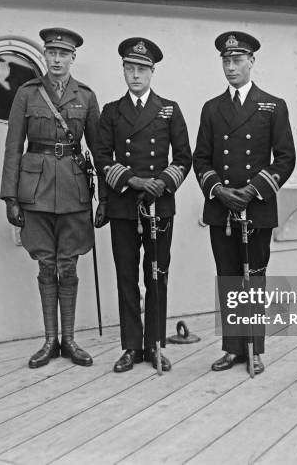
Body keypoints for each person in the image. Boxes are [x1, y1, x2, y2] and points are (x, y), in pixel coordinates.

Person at [0, 27, 105, 369]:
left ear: (74, 58)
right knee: (46, 263)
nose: (57, 59)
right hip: (35, 192)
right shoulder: (27, 94)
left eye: (64, 54)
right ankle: (49, 341)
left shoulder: (86, 97)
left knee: (68, 264)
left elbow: (100, 152)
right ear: (44, 56)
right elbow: (13, 146)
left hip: (74, 190)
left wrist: (104, 197)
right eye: (51, 53)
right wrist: (10, 197)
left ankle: (70, 340)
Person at [193, 31, 295, 375]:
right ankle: (233, 349)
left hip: (257, 206)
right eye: (226, 60)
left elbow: (285, 158)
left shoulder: (273, 105)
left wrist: (251, 191)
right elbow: (200, 159)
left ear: (252, 62)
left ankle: (255, 348)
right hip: (221, 207)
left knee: (256, 277)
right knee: (229, 276)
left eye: (237, 60)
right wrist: (219, 190)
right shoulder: (212, 108)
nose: (231, 66)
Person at [93, 37, 192, 373]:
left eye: (141, 69)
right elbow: (102, 156)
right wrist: (132, 181)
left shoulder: (169, 109)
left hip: (159, 205)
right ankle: (131, 347)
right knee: (126, 277)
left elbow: (183, 157)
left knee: (157, 275)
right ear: (123, 70)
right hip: (124, 205)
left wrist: (161, 183)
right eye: (129, 68)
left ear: (153, 72)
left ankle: (155, 345)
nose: (135, 75)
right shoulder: (111, 111)